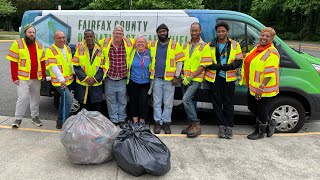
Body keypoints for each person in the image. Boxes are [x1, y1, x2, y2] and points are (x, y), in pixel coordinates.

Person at [205, 21, 244, 139]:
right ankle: (221, 126)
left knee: (228, 103)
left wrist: (228, 67)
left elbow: (239, 60)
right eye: (219, 31)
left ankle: (229, 126)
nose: (221, 33)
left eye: (223, 31)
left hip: (229, 78)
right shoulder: (210, 45)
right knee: (217, 103)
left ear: (227, 31)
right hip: (215, 78)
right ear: (216, 32)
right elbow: (206, 62)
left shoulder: (235, 45)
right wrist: (217, 67)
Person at [240, 27, 280, 140]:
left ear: (272, 39)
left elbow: (269, 73)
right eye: (263, 35)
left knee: (261, 110)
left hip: (263, 88)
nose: (264, 38)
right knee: (252, 107)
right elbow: (250, 59)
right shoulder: (257, 47)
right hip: (253, 85)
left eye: (268, 36)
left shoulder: (272, 52)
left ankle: (260, 132)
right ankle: (270, 122)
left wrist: (261, 87)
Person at [6, 24, 46, 128]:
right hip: (22, 78)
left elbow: (42, 61)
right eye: (30, 32)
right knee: (23, 98)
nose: (32, 34)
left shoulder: (39, 45)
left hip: (36, 77)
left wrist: (44, 74)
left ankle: (35, 117)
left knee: (35, 98)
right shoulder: (17, 43)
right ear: (25, 33)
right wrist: (14, 77)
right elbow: (13, 61)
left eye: (33, 32)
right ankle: (18, 118)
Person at [149, 23, 184, 134]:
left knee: (168, 103)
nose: (162, 33)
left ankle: (166, 123)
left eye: (164, 31)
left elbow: (179, 61)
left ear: (167, 32)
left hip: (170, 80)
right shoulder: (153, 44)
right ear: (157, 33)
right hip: (157, 79)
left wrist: (176, 76)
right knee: (157, 103)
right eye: (160, 31)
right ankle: (158, 123)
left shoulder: (175, 44)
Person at [99, 25, 134, 128]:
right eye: (116, 33)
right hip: (109, 78)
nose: (118, 35)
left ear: (123, 35)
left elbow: (143, 42)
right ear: (112, 34)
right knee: (111, 101)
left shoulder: (128, 43)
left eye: (120, 33)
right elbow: (91, 44)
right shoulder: (105, 42)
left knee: (122, 100)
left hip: (122, 79)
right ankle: (114, 119)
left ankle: (122, 119)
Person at [181, 22, 212, 137]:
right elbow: (182, 61)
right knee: (191, 102)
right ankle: (190, 125)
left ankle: (196, 124)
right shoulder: (185, 45)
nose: (194, 32)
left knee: (186, 99)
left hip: (196, 79)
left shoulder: (205, 46)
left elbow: (204, 65)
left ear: (200, 31)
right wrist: (183, 75)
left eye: (196, 30)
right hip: (185, 78)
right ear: (190, 31)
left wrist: (190, 77)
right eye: (192, 30)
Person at [45, 30, 74, 129]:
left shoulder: (68, 48)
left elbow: (69, 64)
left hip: (68, 80)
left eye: (63, 37)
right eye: (59, 38)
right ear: (54, 39)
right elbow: (53, 66)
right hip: (59, 82)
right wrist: (61, 79)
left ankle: (60, 121)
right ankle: (64, 122)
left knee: (64, 100)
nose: (62, 40)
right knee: (69, 100)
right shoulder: (50, 50)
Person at [72, 29, 104, 112]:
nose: (89, 38)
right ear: (84, 37)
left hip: (96, 83)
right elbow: (76, 65)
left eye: (91, 36)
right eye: (87, 36)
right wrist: (86, 78)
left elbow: (103, 66)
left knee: (96, 107)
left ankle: (94, 124)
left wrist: (95, 79)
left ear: (94, 37)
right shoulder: (80, 48)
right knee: (83, 107)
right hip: (83, 83)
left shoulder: (100, 49)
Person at [127, 35, 152, 125]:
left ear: (146, 44)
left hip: (145, 83)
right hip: (133, 82)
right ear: (135, 44)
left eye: (142, 42)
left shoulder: (150, 53)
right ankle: (135, 120)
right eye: (138, 42)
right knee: (133, 102)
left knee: (143, 103)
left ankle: (142, 121)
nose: (140, 44)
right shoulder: (132, 53)